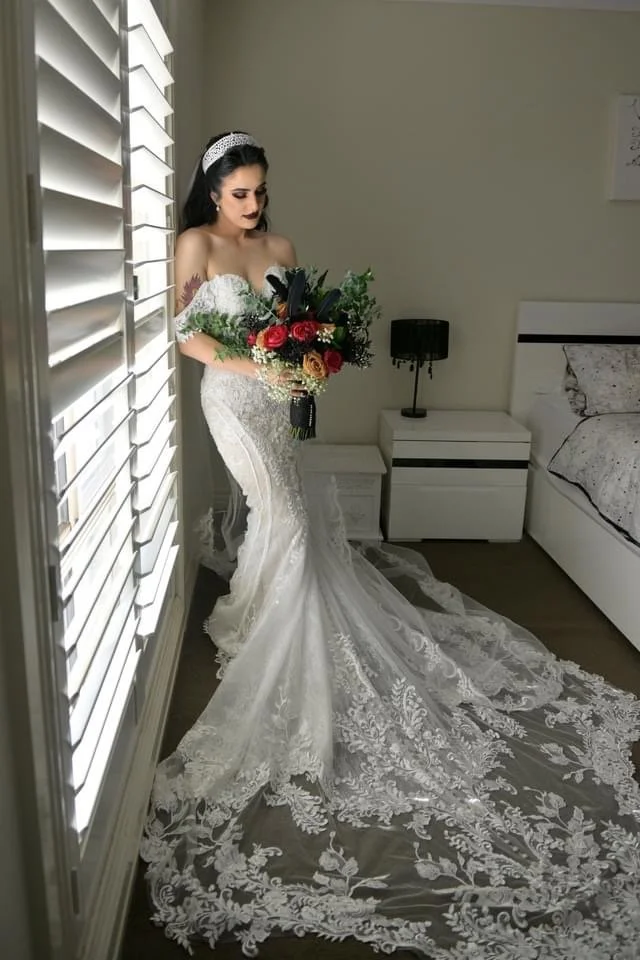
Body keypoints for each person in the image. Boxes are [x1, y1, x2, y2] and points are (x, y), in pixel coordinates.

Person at [141, 132, 640, 958]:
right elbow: (189, 336)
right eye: (241, 195)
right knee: (289, 521)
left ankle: (264, 611)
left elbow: (299, 325)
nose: (255, 206)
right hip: (232, 402)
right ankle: (280, 631)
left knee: (287, 519)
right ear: (212, 192)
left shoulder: (283, 246)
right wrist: (261, 364)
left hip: (278, 399)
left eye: (262, 192)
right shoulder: (194, 245)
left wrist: (305, 364)